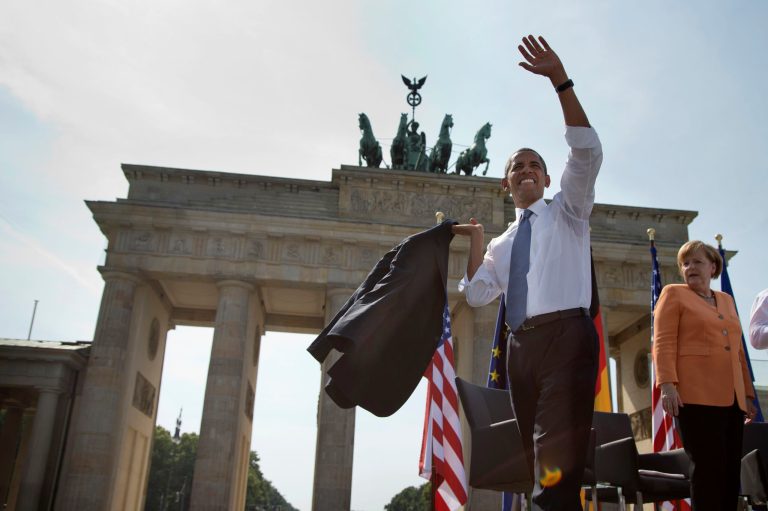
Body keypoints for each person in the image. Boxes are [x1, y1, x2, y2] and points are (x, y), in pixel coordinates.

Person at [452, 35, 602, 510]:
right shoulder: (502, 244)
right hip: (522, 349)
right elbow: (477, 295)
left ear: (546, 177)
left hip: (567, 338)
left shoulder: (570, 211)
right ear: (507, 182)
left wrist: (561, 80)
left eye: (535, 164)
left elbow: (588, 153)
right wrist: (475, 244)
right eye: (518, 166)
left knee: (554, 459)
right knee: (539, 456)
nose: (527, 170)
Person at [653, 240, 757, 511]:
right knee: (708, 472)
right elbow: (662, 342)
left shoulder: (726, 300)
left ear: (713, 267)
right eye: (685, 263)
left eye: (697, 262)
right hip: (695, 397)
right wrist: (667, 384)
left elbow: (737, 352)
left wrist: (747, 392)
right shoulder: (673, 294)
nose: (690, 267)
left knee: (729, 474)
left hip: (732, 400)